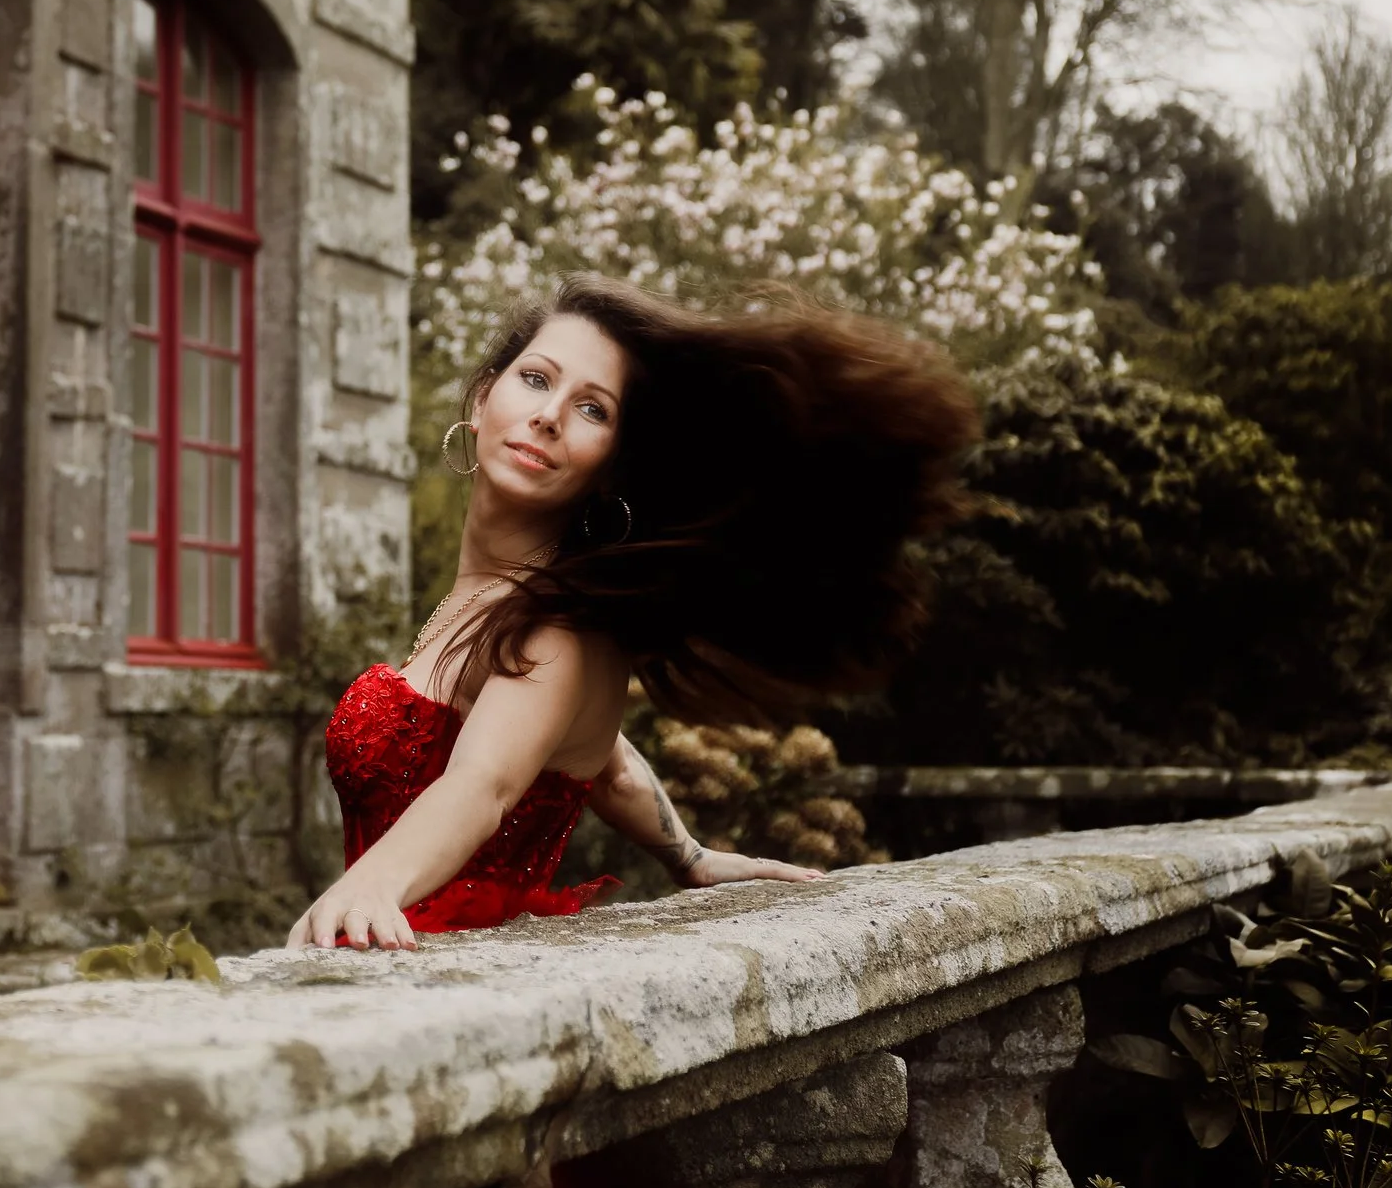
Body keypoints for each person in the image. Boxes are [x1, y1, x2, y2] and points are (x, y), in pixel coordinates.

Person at [289, 274, 980, 950]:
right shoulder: (488, 601)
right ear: (480, 397)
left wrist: (371, 885)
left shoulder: (554, 630)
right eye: (536, 378)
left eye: (593, 408)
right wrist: (689, 853)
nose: (551, 413)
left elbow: (486, 781)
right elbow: (608, 767)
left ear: (611, 465)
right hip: (384, 950)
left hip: (435, 977)